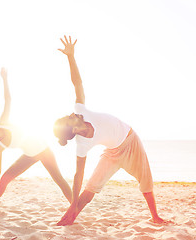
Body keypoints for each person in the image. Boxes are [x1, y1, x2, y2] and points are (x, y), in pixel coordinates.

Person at [53, 36, 166, 225]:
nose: (73, 113)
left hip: (130, 141)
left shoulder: (81, 110)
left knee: (145, 180)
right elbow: (78, 176)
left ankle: (155, 216)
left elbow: (77, 83)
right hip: (112, 153)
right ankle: (69, 217)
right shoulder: (82, 145)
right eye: (70, 117)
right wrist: (73, 203)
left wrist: (70, 57)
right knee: (90, 188)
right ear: (72, 128)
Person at [0, 67, 72, 210]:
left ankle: (75, 206)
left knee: (58, 179)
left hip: (43, 149)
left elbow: (8, 99)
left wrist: (4, 79)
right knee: (4, 178)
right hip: (29, 156)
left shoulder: (3, 122)